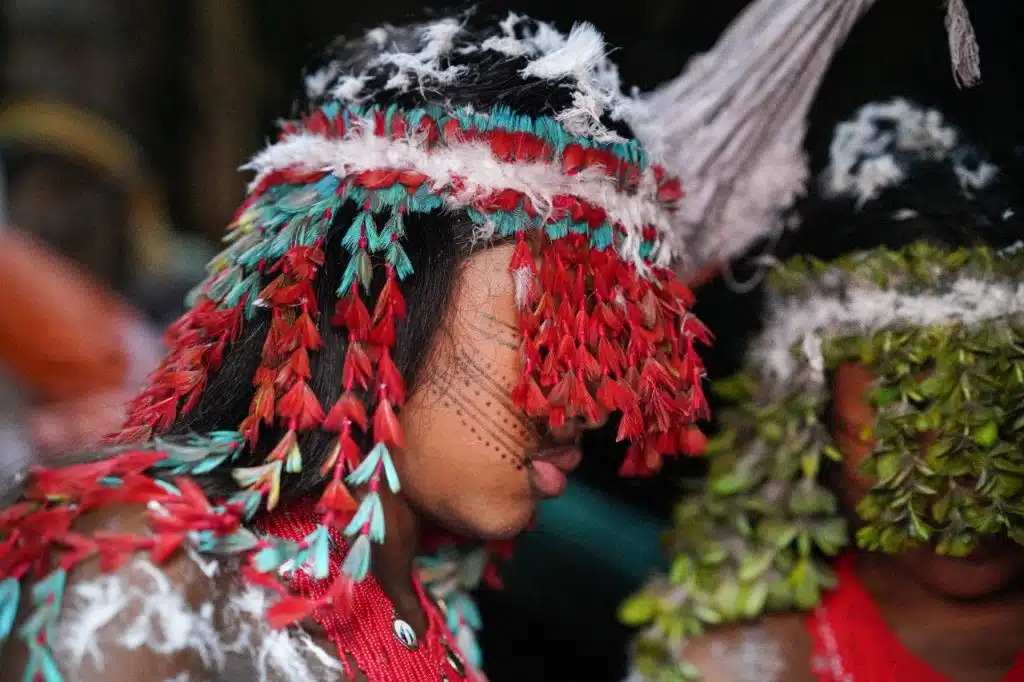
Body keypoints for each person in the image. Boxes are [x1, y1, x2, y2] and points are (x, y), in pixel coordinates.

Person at [0, 12, 712, 682]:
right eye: (548, 323)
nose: (589, 398)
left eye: (612, 342)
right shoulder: (148, 571)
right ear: (372, 294)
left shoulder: (430, 602)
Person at [622, 97, 1024, 682]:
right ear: (808, 427)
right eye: (902, 417)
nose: (962, 486)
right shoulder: (729, 671)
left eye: (1006, 413)